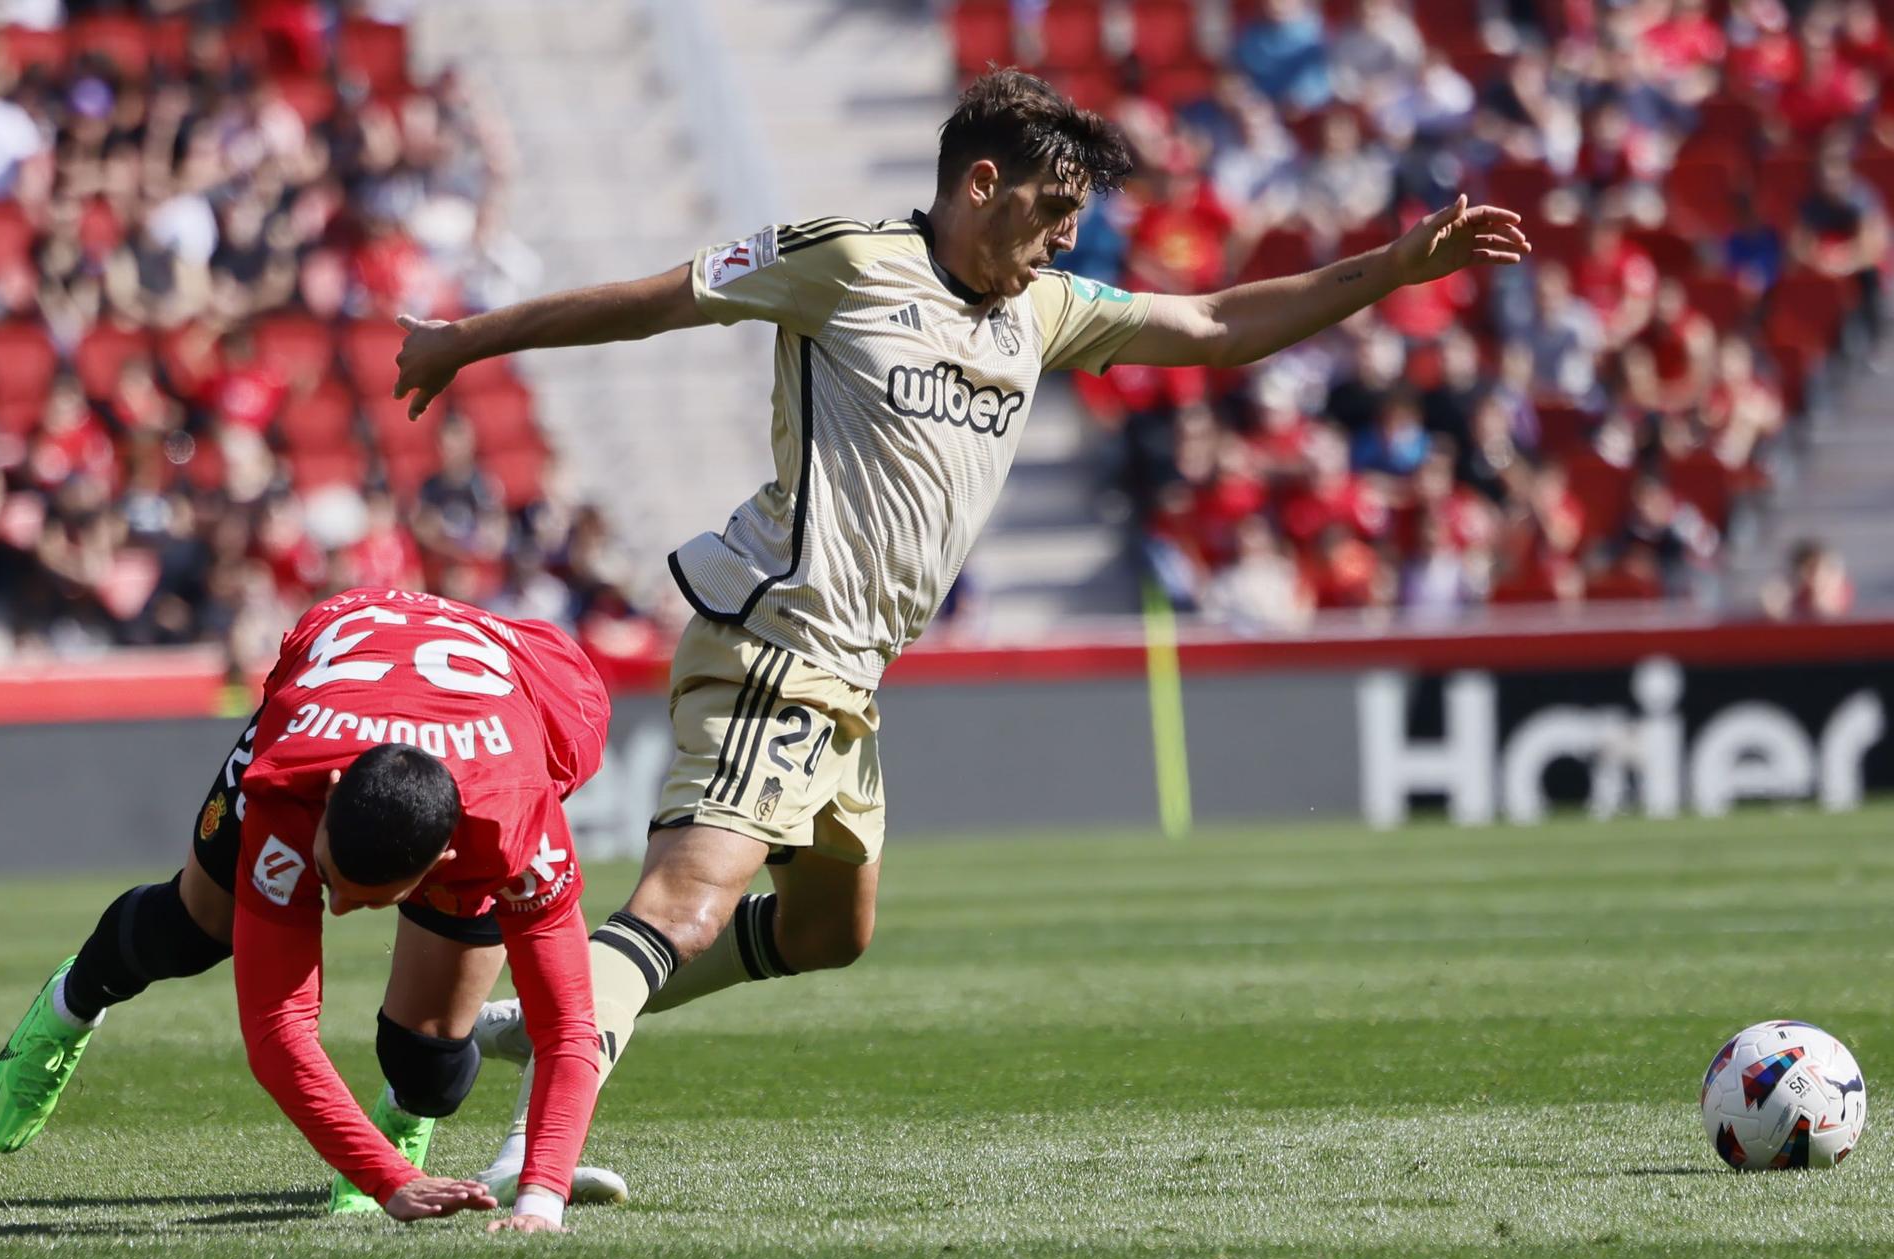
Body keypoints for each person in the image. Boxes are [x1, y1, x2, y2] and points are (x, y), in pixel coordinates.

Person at [390, 68, 1528, 1197]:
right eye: (1050, 210)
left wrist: (1393, 270)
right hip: (780, 641)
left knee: (828, 928)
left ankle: (559, 1016)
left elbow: (1220, 325)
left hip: (852, 674)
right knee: (683, 903)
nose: (1063, 238)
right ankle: (541, 1142)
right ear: (980, 183)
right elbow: (647, 303)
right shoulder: (843, 261)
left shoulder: (1041, 312)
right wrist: (461, 342)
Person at [0, 587, 614, 1233]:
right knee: (195, 929)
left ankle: (400, 1119)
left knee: (428, 1065)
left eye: (366, 898)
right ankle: (71, 1003)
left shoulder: (519, 831)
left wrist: (541, 1201)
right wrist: (385, 1178)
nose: (334, 910)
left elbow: (567, 1028)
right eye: (330, 877)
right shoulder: (292, 789)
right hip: (343, 675)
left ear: (443, 863)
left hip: (507, 707)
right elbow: (276, 1028)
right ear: (330, 798)